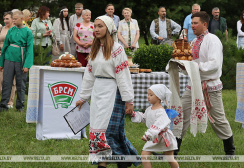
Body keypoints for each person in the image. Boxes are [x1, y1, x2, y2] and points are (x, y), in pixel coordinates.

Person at [75, 16, 140, 168]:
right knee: (97, 131)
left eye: (100, 26)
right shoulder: (95, 49)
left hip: (113, 93)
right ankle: (102, 164)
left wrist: (129, 100)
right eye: (95, 26)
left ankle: (124, 162)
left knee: (110, 133)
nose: (96, 29)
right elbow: (89, 75)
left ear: (109, 29)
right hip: (98, 92)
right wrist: (83, 97)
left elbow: (123, 76)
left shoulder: (117, 50)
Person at [175, 11, 235, 156]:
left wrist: (193, 67)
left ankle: (230, 151)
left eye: (195, 23)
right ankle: (173, 151)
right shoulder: (195, 41)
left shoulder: (212, 40)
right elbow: (191, 63)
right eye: (191, 23)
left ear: (205, 24)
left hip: (209, 86)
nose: (192, 26)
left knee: (218, 119)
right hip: (194, 85)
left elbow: (214, 64)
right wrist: (182, 66)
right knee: (181, 114)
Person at [127, 84, 179, 168]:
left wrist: (148, 135)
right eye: (148, 94)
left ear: (158, 97)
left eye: (151, 95)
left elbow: (157, 126)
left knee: (170, 158)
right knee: (144, 155)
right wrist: (133, 114)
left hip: (163, 137)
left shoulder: (161, 112)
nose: (148, 97)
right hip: (154, 137)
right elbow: (144, 118)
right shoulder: (149, 109)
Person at [0, 10, 33, 112]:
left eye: (15, 19)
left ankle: (20, 107)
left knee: (20, 84)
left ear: (22, 19)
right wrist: (1, 62)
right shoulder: (11, 30)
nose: (13, 20)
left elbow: (30, 50)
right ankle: (3, 106)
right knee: (6, 83)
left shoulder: (28, 32)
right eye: (13, 18)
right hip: (8, 59)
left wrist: (27, 65)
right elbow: (5, 47)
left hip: (21, 61)